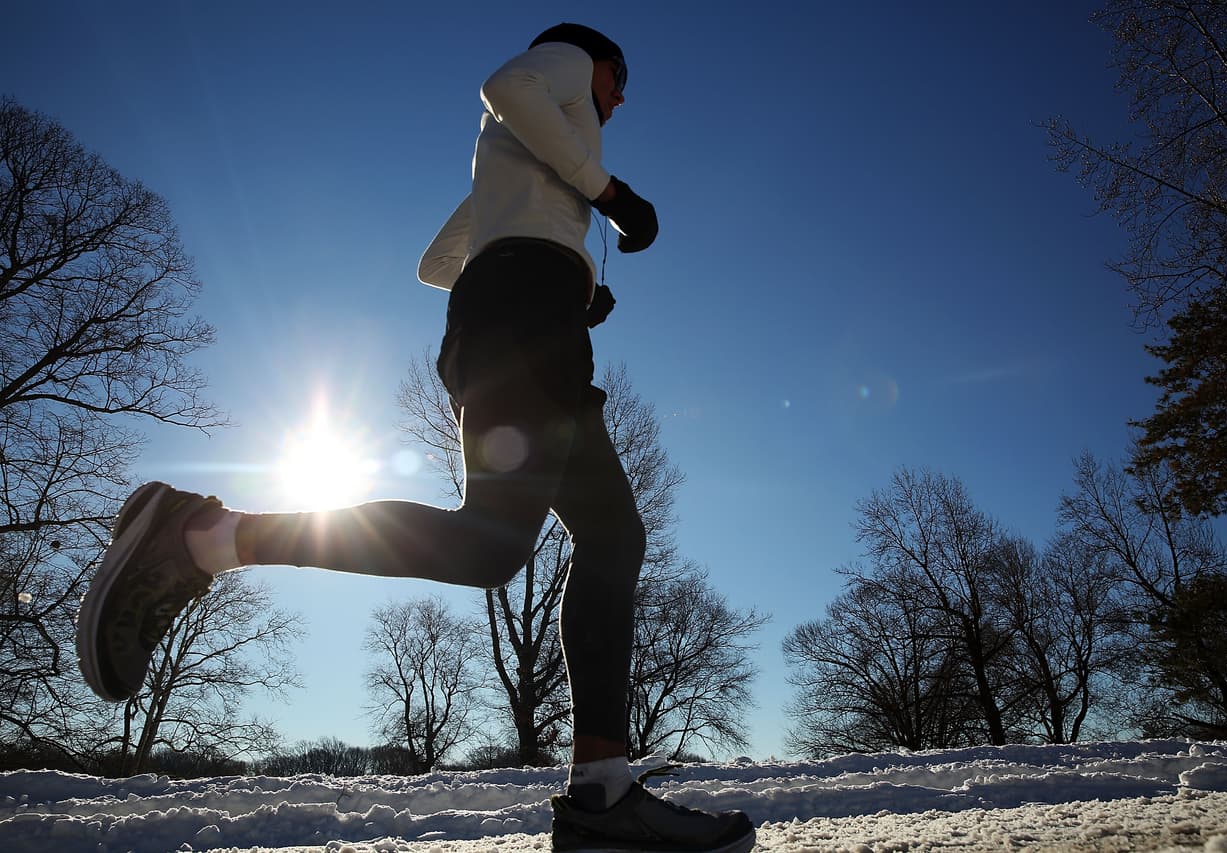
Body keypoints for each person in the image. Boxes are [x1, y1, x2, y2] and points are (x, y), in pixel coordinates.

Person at [76, 22, 756, 853]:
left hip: (525, 316)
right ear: (599, 63)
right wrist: (608, 197)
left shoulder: (517, 169)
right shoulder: (569, 64)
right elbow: (506, 88)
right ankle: (202, 535)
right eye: (622, 78)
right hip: (520, 319)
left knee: (612, 536)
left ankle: (601, 794)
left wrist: (566, 272)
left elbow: (439, 262)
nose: (621, 96)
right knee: (492, 547)